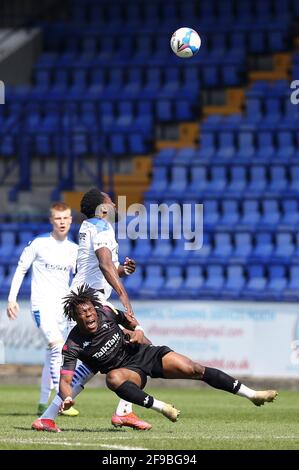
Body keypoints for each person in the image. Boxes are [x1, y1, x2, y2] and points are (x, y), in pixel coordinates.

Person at [33, 284, 278, 433]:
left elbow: (130, 321)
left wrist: (138, 331)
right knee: (113, 378)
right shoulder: (74, 343)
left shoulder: (105, 311)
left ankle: (252, 395)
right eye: (82, 314)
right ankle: (163, 408)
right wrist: (66, 397)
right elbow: (66, 378)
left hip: (144, 354)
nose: (88, 315)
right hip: (127, 371)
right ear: (75, 319)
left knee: (194, 368)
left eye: (89, 310)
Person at [31, 188, 152, 432]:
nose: (115, 204)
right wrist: (125, 297)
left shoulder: (91, 226)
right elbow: (105, 265)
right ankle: (124, 411)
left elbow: (105, 269)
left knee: (90, 367)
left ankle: (47, 417)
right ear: (102, 207)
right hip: (90, 305)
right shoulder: (101, 225)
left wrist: (122, 270)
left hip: (85, 303)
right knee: (141, 347)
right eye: (110, 200)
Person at [7, 202, 79, 417]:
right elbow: (21, 270)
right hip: (42, 305)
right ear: (51, 220)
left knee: (53, 353)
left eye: (66, 218)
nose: (62, 222)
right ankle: (62, 398)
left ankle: (42, 402)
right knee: (57, 347)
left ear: (71, 220)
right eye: (58, 218)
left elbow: (77, 281)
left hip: (63, 309)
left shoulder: (73, 250)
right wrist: (12, 299)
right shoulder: (39, 244)